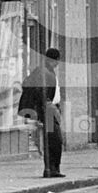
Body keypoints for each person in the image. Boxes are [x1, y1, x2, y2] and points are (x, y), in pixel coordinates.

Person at [21, 47, 65, 178]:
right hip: (48, 110)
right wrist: (42, 100)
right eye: (56, 60)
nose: (57, 63)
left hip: (52, 109)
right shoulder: (42, 71)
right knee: (55, 139)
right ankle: (51, 168)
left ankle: (53, 168)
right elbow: (27, 84)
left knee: (54, 140)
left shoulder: (47, 71)